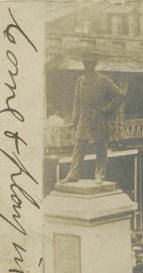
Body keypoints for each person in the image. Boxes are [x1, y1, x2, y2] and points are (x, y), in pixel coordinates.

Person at [61, 50, 124, 184]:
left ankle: (99, 174)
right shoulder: (80, 81)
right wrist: (74, 120)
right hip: (84, 118)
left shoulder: (104, 80)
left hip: (98, 117)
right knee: (79, 146)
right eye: (85, 63)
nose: (87, 65)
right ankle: (73, 174)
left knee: (100, 146)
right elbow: (77, 102)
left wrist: (106, 110)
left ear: (94, 65)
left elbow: (119, 95)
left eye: (90, 63)